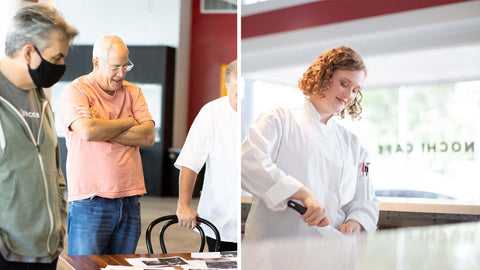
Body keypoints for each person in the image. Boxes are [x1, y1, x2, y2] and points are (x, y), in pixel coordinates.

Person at [242, 46, 379, 241]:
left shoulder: (352, 144)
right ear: (324, 77)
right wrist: (301, 193)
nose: (349, 95)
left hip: (329, 248)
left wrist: (356, 221)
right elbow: (249, 162)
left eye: (356, 90)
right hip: (275, 249)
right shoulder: (279, 118)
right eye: (344, 84)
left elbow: (365, 198)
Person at [60, 35, 155, 255]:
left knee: (122, 268)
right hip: (90, 201)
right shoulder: (77, 91)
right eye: (115, 67)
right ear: (96, 63)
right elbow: (87, 131)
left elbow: (147, 136)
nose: (121, 74)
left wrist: (101, 125)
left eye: (125, 66)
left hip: (130, 200)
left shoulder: (133, 91)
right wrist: (128, 122)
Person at [0, 4, 78, 269]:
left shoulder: (41, 98)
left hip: (46, 253)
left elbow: (53, 169)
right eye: (56, 57)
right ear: (29, 52)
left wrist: (58, 222)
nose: (61, 66)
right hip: (6, 256)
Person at [175, 60, 238, 251]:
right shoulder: (211, 112)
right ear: (226, 88)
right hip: (220, 221)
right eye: (237, 95)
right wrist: (183, 204)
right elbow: (190, 162)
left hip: (257, 221)